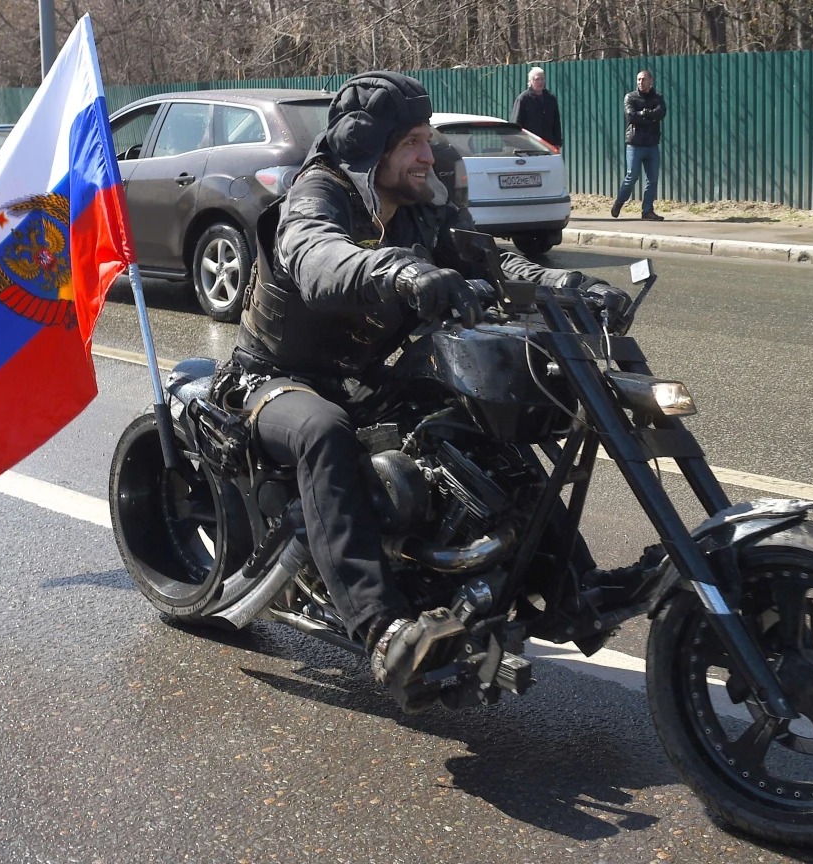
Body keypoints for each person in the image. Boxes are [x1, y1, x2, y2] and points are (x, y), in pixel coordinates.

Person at [228, 71, 625, 713]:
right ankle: (383, 630)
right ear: (369, 147)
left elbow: (490, 260)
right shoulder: (317, 195)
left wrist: (567, 286)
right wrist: (401, 269)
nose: (426, 152)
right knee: (321, 431)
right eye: (411, 140)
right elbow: (317, 257)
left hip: (371, 378)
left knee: (483, 415)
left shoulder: (419, 206)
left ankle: (573, 586)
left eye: (425, 137)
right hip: (277, 378)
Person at [610, 69, 666, 221]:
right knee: (632, 176)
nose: (641, 82)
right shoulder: (631, 97)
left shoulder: (657, 97)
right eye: (639, 79)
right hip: (635, 144)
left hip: (652, 144)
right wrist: (647, 115)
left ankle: (647, 210)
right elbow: (631, 116)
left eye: (644, 79)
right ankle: (620, 201)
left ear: (651, 81)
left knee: (652, 179)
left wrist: (645, 114)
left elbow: (661, 113)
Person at [510, 66, 562, 149]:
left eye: (542, 79)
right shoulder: (523, 99)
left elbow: (556, 122)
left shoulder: (550, 99)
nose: (540, 82)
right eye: (537, 79)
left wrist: (557, 142)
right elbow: (516, 123)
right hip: (529, 146)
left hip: (548, 145)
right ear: (530, 81)